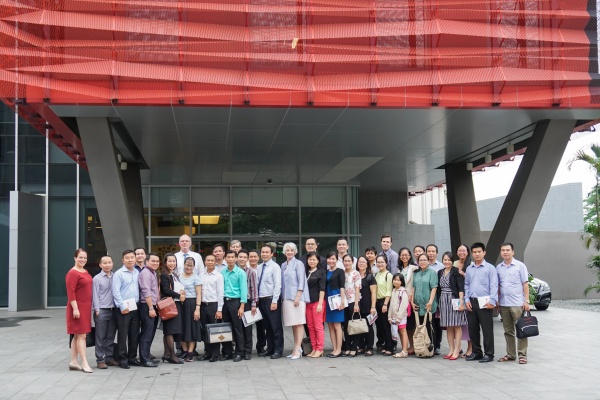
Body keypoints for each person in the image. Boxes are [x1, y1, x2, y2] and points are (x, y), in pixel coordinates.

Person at [497, 242, 530, 365]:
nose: (505, 252)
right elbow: (498, 286)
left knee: (521, 329)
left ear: (513, 252)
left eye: (507, 250)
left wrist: (526, 300)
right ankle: (511, 354)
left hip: (517, 303)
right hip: (503, 304)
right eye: (503, 250)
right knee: (508, 331)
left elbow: (525, 284)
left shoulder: (520, 266)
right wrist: (497, 301)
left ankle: (522, 354)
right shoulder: (498, 267)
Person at [464, 242, 498, 363]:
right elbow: (466, 285)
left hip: (485, 302)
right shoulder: (469, 269)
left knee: (487, 329)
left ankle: (489, 354)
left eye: (479, 252)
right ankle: (476, 352)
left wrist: (493, 301)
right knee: (473, 329)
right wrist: (466, 300)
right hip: (472, 302)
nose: (477, 254)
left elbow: (494, 286)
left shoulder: (490, 268)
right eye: (474, 252)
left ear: (484, 252)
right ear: (472, 254)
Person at [112, 249, 141, 369]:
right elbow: (116, 291)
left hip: (135, 306)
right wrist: (122, 306)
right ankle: (122, 359)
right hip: (123, 308)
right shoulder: (118, 274)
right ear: (123, 260)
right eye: (127, 258)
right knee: (123, 334)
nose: (130, 260)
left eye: (132, 257)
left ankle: (132, 357)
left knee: (134, 333)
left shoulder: (137, 272)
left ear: (135, 259)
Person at [66, 248, 94, 373]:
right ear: (75, 258)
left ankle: (73, 361)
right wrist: (76, 309)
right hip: (77, 308)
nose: (83, 260)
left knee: (77, 336)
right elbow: (71, 293)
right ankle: (84, 362)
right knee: (82, 336)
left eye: (85, 258)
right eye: (80, 257)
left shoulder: (85, 271)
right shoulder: (72, 273)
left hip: (86, 307)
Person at [281, 242, 310, 359]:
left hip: (297, 298)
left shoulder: (299, 264)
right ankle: (295, 349)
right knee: (293, 324)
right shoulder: (283, 265)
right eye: (287, 250)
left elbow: (302, 280)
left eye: (291, 250)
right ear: (284, 252)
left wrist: (298, 296)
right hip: (287, 298)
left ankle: (299, 349)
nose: (289, 252)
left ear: (295, 251)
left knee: (298, 323)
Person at [437, 251, 467, 360]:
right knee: (448, 326)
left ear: (452, 261)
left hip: (454, 299)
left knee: (457, 325)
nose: (447, 262)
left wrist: (461, 302)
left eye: (449, 260)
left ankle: (457, 349)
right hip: (443, 300)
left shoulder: (456, 271)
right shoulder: (440, 272)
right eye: (445, 260)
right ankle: (451, 349)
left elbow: (460, 288)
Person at [257, 245, 284, 359]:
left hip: (271, 300)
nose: (264, 254)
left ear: (272, 254)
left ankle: (278, 350)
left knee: (275, 326)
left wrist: (275, 301)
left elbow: (278, 285)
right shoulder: (259, 267)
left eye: (267, 252)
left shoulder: (275, 267)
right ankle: (270, 348)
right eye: (263, 252)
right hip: (261, 300)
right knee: (267, 326)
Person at [220, 250, 248, 362]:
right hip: (225, 302)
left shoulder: (240, 272)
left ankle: (239, 352)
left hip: (235, 302)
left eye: (232, 257)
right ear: (225, 259)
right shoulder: (223, 272)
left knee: (237, 328)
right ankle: (227, 352)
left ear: (236, 259)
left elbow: (244, 290)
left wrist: (242, 306)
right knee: (226, 328)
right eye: (228, 257)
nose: (230, 259)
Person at [93, 255, 118, 369]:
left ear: (112, 263)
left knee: (110, 335)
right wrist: (96, 309)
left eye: (109, 262)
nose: (107, 265)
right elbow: (95, 295)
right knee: (100, 336)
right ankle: (100, 359)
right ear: (100, 265)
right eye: (105, 263)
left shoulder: (115, 276)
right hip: (102, 310)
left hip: (114, 310)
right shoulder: (97, 279)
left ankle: (109, 358)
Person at [159, 253, 185, 364]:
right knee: (170, 331)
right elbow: (166, 290)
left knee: (169, 331)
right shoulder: (164, 275)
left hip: (176, 304)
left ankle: (166, 354)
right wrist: (179, 296)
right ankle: (173, 355)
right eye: (169, 261)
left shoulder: (173, 274)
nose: (172, 263)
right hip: (170, 305)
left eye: (174, 261)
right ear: (165, 263)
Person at [198, 254, 224, 362]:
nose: (209, 262)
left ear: (215, 262)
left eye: (212, 260)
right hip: (203, 305)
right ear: (205, 262)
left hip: (213, 305)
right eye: (208, 260)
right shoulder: (200, 275)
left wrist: (219, 309)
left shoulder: (218, 276)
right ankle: (207, 352)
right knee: (204, 330)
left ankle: (215, 354)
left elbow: (220, 293)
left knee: (214, 330)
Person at [137, 252, 160, 367]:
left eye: (157, 261)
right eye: (153, 261)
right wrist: (151, 308)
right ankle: (144, 359)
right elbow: (146, 292)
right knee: (146, 333)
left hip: (152, 305)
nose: (155, 263)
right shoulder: (146, 273)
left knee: (150, 333)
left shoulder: (153, 272)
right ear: (147, 262)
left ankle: (147, 356)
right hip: (147, 306)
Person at [412, 253, 438, 351]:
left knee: (429, 326)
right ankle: (420, 347)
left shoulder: (432, 273)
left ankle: (431, 348)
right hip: (418, 304)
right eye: (420, 260)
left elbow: (434, 288)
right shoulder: (416, 273)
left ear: (428, 261)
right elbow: (413, 287)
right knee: (419, 326)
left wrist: (430, 302)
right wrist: (412, 301)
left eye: (424, 260)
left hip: (428, 304)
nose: (422, 262)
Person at [179, 256, 203, 362]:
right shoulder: (178, 276)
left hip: (192, 303)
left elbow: (199, 293)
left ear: (194, 266)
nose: (188, 267)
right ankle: (184, 351)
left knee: (192, 327)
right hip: (180, 304)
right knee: (181, 327)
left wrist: (197, 308)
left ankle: (190, 352)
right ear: (184, 265)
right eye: (187, 265)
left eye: (191, 265)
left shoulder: (196, 277)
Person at [237, 249, 258, 360]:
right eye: (240, 257)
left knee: (247, 327)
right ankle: (239, 349)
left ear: (247, 259)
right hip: (236, 301)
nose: (242, 259)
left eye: (245, 257)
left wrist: (254, 303)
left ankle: (247, 351)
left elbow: (254, 288)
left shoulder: (251, 272)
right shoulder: (234, 271)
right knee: (238, 328)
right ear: (237, 258)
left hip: (248, 302)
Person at [305, 252, 326, 358]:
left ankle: (320, 348)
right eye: (310, 259)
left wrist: (320, 303)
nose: (312, 261)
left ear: (318, 261)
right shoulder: (306, 272)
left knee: (318, 327)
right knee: (310, 327)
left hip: (317, 303)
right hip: (308, 303)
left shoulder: (321, 272)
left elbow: (322, 289)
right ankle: (313, 348)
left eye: (314, 259)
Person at [325, 251, 345, 357]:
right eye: (329, 259)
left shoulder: (340, 271)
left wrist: (342, 301)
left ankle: (339, 349)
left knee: (337, 325)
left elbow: (342, 286)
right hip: (327, 300)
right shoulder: (325, 271)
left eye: (333, 259)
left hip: (336, 300)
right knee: (330, 325)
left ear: (336, 260)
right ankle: (334, 348)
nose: (331, 261)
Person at [454, 243, 472, 358]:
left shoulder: (471, 264)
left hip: (468, 297)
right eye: (459, 251)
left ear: (467, 252)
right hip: (456, 297)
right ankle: (458, 347)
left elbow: (473, 280)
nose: (461, 253)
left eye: (464, 251)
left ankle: (470, 348)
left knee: (469, 323)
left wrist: (464, 274)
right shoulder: (455, 263)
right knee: (458, 323)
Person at [398, 247, 418, 354]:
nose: (404, 256)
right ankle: (410, 345)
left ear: (410, 256)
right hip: (401, 301)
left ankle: (414, 345)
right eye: (402, 255)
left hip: (410, 299)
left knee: (411, 325)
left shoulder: (414, 268)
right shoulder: (399, 269)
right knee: (406, 325)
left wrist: (412, 297)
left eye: (406, 254)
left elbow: (414, 285)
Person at [356, 255, 377, 356]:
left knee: (368, 326)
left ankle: (369, 347)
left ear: (367, 264)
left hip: (367, 305)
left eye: (363, 262)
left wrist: (373, 307)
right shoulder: (355, 276)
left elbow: (373, 293)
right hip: (357, 305)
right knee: (359, 326)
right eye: (360, 262)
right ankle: (361, 346)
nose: (361, 264)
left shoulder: (370, 277)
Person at [247, 249, 267, 355]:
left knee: (261, 325)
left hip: (260, 301)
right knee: (248, 325)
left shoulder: (261, 269)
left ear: (258, 258)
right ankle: (247, 347)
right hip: (249, 301)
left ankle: (261, 346)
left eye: (255, 256)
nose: (253, 258)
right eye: (251, 256)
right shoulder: (246, 270)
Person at [341, 254, 361, 356]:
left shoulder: (356, 273)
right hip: (343, 302)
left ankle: (354, 347)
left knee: (354, 325)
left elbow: (357, 289)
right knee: (345, 325)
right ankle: (348, 346)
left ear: (353, 262)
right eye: (345, 261)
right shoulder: (341, 273)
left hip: (353, 301)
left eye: (349, 261)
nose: (347, 263)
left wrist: (356, 304)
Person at [374, 254, 394, 355]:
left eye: (382, 262)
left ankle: (390, 347)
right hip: (377, 302)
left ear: (386, 263)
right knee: (380, 326)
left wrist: (385, 304)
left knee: (386, 326)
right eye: (378, 262)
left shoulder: (388, 275)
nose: (380, 264)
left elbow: (389, 291)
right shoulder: (376, 274)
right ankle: (383, 345)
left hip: (385, 302)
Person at [426, 243, 443, 355]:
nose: (431, 253)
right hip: (426, 297)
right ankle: (429, 343)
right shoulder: (423, 265)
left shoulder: (441, 266)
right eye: (429, 251)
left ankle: (437, 345)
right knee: (428, 322)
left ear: (436, 253)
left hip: (438, 296)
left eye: (433, 251)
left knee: (437, 322)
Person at [389, 273, 410, 358]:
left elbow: (403, 306)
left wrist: (398, 317)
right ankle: (403, 349)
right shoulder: (394, 290)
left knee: (403, 331)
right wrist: (389, 317)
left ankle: (405, 351)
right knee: (400, 332)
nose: (396, 282)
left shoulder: (402, 291)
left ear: (402, 282)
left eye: (398, 280)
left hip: (401, 317)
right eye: (395, 280)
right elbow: (391, 305)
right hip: (394, 316)